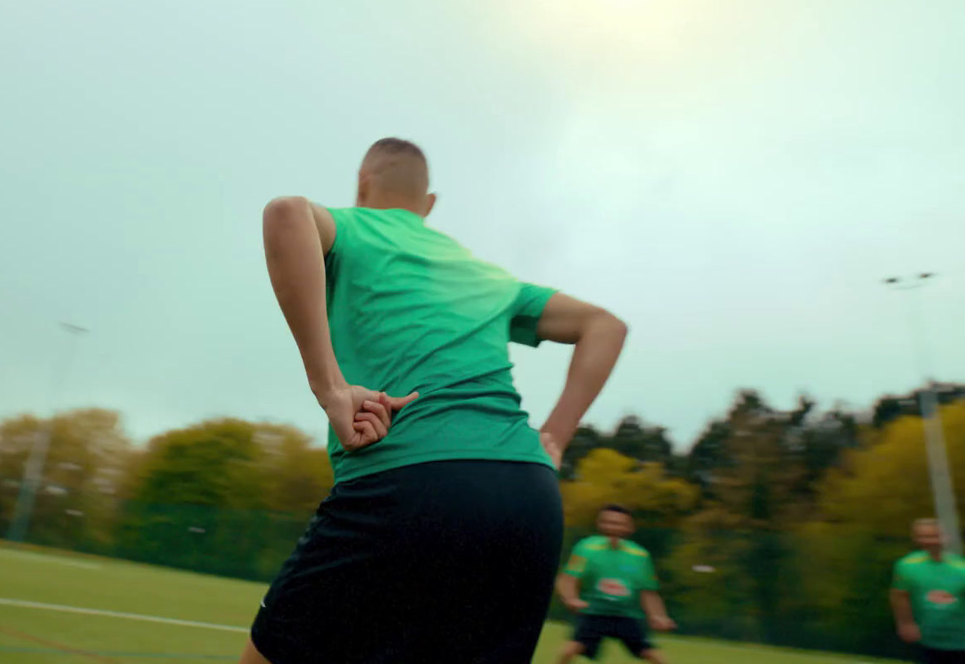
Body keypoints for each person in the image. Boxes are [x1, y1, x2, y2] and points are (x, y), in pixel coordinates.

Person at [241, 138, 630, 664]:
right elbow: (605, 325)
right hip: (527, 500)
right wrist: (555, 438)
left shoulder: (355, 227)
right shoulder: (487, 275)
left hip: (409, 484)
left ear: (362, 185)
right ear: (428, 205)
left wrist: (329, 386)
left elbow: (285, 212)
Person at [553, 504, 676, 663]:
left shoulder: (640, 555)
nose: (612, 527)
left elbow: (648, 592)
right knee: (568, 652)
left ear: (629, 527)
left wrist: (658, 616)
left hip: (627, 615)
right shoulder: (586, 548)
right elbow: (568, 578)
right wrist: (570, 598)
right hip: (594, 612)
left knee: (655, 656)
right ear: (599, 524)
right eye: (607, 522)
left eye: (618, 523)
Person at [890, 518, 965, 663]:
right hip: (928, 642)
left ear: (945, 537)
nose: (930, 541)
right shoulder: (906, 566)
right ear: (916, 538)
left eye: (935, 535)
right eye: (924, 536)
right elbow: (899, 594)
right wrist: (905, 623)